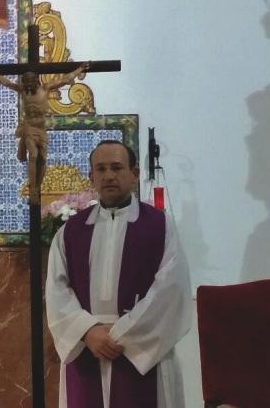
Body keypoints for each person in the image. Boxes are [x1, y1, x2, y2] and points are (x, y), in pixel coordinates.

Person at [45, 140, 192, 407]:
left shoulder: (159, 226)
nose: (108, 175)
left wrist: (122, 335)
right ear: (91, 177)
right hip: (87, 348)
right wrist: (88, 331)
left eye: (116, 167)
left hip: (140, 350)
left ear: (134, 174)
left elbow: (171, 289)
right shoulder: (70, 232)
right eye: (100, 169)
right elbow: (57, 290)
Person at [0, 63, 88, 204]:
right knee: (33, 155)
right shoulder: (22, 90)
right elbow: (6, 82)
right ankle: (33, 189)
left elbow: (64, 79)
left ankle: (38, 186)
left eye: (30, 84)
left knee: (43, 159)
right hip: (29, 128)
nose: (27, 87)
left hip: (41, 129)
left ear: (36, 82)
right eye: (25, 84)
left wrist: (80, 69)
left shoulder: (46, 88)